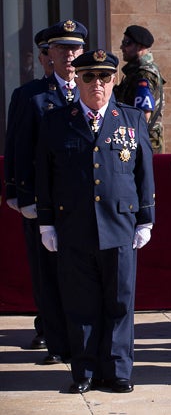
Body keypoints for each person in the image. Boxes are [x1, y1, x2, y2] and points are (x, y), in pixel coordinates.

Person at [35, 49, 155, 393]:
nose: (97, 84)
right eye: (88, 77)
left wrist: (146, 219)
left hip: (119, 226)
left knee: (119, 302)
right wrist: (46, 222)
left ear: (114, 80)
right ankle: (84, 371)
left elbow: (144, 174)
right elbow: (45, 175)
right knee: (80, 302)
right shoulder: (58, 121)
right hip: (74, 226)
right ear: (78, 81)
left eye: (104, 77)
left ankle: (117, 371)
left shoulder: (131, 120)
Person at [15, 19, 88, 365]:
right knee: (48, 274)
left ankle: (83, 339)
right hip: (45, 200)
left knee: (82, 273)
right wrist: (22, 197)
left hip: (84, 201)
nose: (69, 55)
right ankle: (56, 342)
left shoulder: (95, 89)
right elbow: (18, 148)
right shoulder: (31, 96)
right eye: (61, 48)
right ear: (50, 55)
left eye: (75, 48)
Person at [4, 27, 54, 351]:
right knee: (43, 267)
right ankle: (48, 326)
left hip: (73, 198)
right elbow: (17, 146)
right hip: (39, 195)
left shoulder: (85, 90)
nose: (60, 59)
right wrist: (16, 192)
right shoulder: (29, 95)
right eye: (51, 53)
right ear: (42, 58)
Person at [115, 25, 166, 152]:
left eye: (126, 43)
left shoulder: (144, 74)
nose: (122, 47)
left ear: (139, 47)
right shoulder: (135, 72)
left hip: (143, 145)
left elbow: (143, 117)